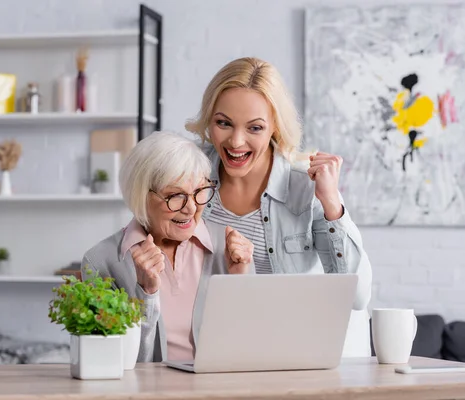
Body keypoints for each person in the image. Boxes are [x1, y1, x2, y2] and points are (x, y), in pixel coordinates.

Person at [186, 57, 373, 355]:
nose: (236, 141)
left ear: (274, 126)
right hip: (218, 352)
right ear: (210, 119)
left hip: (296, 353)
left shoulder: (307, 188)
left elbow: (358, 296)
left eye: (255, 128)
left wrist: (332, 203)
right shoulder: (188, 175)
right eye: (224, 123)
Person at [81, 131, 254, 362]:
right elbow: (109, 362)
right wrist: (146, 295)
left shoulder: (230, 246)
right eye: (176, 196)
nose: (191, 208)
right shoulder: (100, 261)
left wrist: (240, 282)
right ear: (141, 196)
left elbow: (250, 350)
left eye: (199, 192)